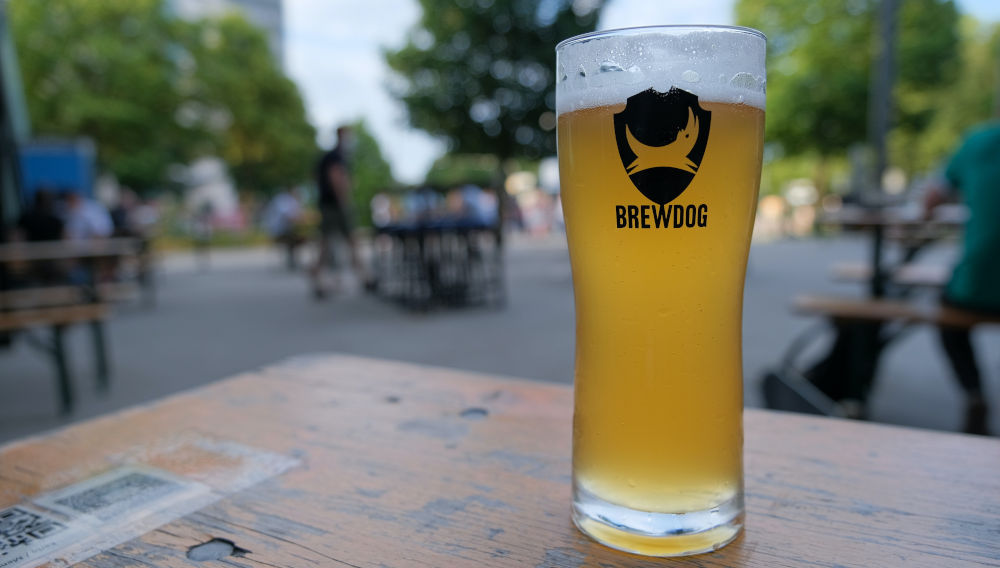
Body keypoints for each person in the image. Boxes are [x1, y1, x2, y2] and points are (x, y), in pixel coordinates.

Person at [924, 121, 1000, 435]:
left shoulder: (977, 142)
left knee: (946, 317)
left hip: (977, 288)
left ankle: (974, 392)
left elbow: (930, 199)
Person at [310, 125, 375, 298]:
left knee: (329, 243)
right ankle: (365, 278)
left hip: (327, 204)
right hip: (335, 206)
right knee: (349, 241)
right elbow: (336, 178)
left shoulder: (328, 156)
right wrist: (344, 201)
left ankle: (363, 278)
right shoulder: (336, 157)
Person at [263, 188, 304, 270]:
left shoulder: (291, 201)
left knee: (298, 236)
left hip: (286, 231)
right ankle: (291, 261)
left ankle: (292, 260)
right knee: (293, 237)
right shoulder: (283, 200)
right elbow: (288, 216)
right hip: (279, 231)